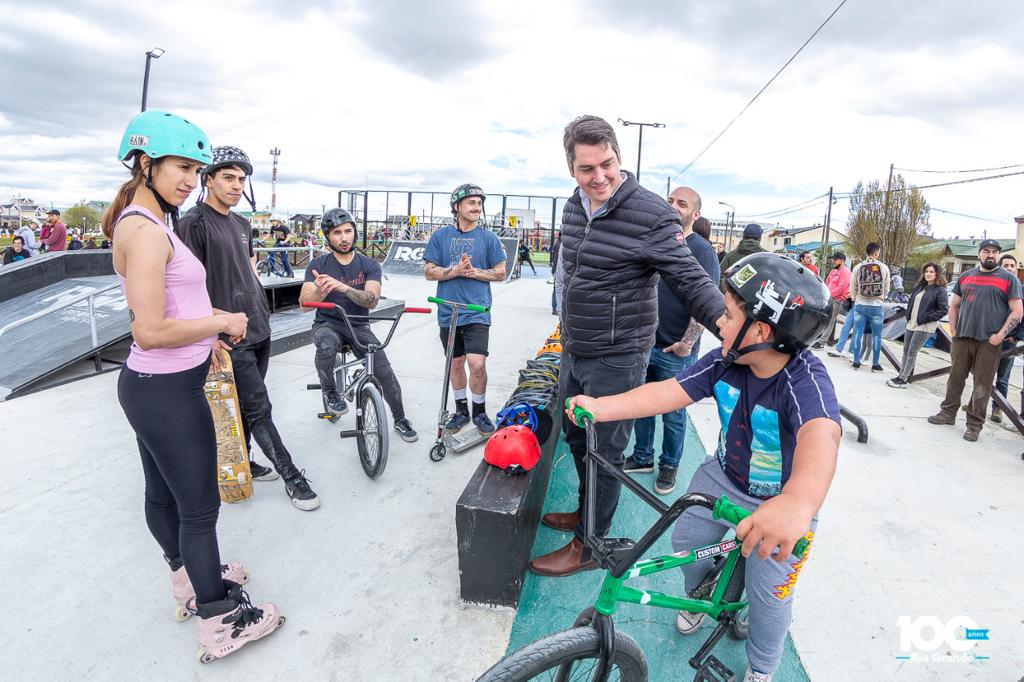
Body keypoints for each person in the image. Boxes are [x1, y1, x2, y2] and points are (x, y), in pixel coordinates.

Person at [566, 253, 839, 682]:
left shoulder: (804, 382)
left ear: (761, 332)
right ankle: (700, 595)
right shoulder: (724, 360)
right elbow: (668, 392)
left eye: (728, 315)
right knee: (686, 540)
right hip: (723, 476)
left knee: (770, 597)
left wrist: (798, 503)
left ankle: (762, 667)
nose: (719, 323)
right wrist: (602, 407)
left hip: (781, 503)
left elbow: (821, 437)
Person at [106, 111, 282, 660]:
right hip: (166, 392)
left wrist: (205, 337)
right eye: (181, 167)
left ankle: (187, 581)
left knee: (163, 496)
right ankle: (220, 619)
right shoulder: (142, 230)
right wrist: (221, 321)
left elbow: (172, 308)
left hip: (157, 385)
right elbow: (150, 330)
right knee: (200, 510)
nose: (189, 179)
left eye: (194, 169)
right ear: (145, 163)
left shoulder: (151, 222)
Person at [529, 115, 724, 578]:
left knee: (605, 451)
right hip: (576, 347)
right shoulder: (573, 207)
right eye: (586, 169)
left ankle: (589, 544)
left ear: (620, 157)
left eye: (607, 164)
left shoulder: (651, 213)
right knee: (578, 437)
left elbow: (692, 280)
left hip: (618, 355)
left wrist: (729, 326)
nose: (599, 177)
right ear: (571, 169)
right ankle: (585, 513)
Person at [176, 145, 319, 511]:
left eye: (241, 179)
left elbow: (249, 270)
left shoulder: (241, 224)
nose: (236, 185)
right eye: (228, 177)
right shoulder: (194, 223)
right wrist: (209, 332)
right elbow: (184, 287)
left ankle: (246, 461)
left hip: (258, 327)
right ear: (208, 180)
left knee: (244, 406)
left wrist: (261, 312)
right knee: (259, 407)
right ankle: (292, 476)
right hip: (228, 336)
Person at [626, 186, 720, 495]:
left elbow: (707, 299)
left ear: (696, 214)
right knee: (641, 404)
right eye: (670, 200)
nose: (673, 206)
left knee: (673, 412)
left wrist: (687, 343)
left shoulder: (702, 250)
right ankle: (642, 456)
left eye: (682, 203)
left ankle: (669, 466)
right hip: (644, 344)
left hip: (675, 350)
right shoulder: (654, 240)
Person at [300, 208, 417, 442]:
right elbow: (304, 304)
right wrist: (321, 291)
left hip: (359, 325)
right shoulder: (318, 264)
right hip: (328, 323)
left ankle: (400, 419)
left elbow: (371, 300)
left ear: (355, 232)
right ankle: (331, 393)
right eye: (337, 233)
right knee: (326, 345)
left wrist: (343, 287)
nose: (344, 238)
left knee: (384, 372)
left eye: (348, 231)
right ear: (328, 236)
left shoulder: (369, 265)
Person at [423, 183, 507, 434]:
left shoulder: (489, 239)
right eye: (471, 203)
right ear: (456, 206)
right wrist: (455, 271)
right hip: (448, 313)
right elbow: (429, 271)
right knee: (456, 363)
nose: (477, 207)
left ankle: (479, 411)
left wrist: (475, 272)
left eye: (479, 203)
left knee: (477, 364)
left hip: (477, 311)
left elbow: (501, 273)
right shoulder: (440, 237)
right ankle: (461, 411)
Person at [928, 239, 1023, 442]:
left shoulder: (1009, 279)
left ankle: (974, 425)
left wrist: (1000, 335)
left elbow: (1017, 311)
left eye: (995, 252)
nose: (991, 255)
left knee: (982, 384)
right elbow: (954, 305)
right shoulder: (966, 276)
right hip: (962, 338)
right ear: (979, 254)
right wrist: (954, 330)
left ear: (998, 254)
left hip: (989, 342)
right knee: (955, 378)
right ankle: (947, 413)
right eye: (986, 251)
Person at [886, 262, 948, 389]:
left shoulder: (940, 290)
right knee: (906, 350)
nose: (928, 274)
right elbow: (911, 303)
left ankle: (904, 379)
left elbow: (943, 309)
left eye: (931, 272)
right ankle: (901, 375)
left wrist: (927, 318)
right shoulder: (920, 287)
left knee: (912, 351)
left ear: (937, 274)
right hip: (911, 323)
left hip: (924, 326)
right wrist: (908, 315)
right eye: (926, 271)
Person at [991, 254, 1024, 422]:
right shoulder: (994, 287)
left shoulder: (1021, 290)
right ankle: (976, 403)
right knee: (982, 374)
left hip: (1008, 342)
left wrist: (1016, 337)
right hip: (989, 339)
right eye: (1006, 265)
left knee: (1003, 378)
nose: (1010, 268)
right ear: (999, 267)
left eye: (1012, 265)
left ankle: (998, 409)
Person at [847, 242, 890, 371]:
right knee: (877, 335)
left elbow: (853, 286)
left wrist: (855, 298)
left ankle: (856, 361)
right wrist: (882, 297)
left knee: (857, 333)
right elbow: (887, 288)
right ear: (877, 253)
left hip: (860, 305)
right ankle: (875, 364)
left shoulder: (858, 267)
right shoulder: (883, 267)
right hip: (876, 306)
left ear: (867, 252)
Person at [820, 252, 852, 352]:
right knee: (822, 319)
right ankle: (818, 338)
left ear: (842, 260)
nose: (833, 261)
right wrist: (825, 294)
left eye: (835, 259)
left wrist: (829, 295)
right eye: (833, 259)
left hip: (837, 300)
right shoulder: (833, 271)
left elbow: (841, 288)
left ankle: (821, 342)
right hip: (828, 298)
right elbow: (827, 282)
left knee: (830, 321)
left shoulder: (846, 272)